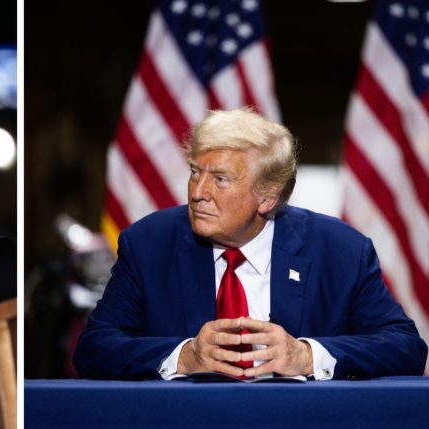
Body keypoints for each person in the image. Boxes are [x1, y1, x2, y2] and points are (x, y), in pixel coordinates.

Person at [73, 108, 427, 381]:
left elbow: (405, 347)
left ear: (268, 197)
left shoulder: (340, 251)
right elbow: (93, 349)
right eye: (196, 172)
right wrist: (184, 357)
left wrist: (306, 356)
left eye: (220, 179)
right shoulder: (149, 244)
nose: (198, 193)